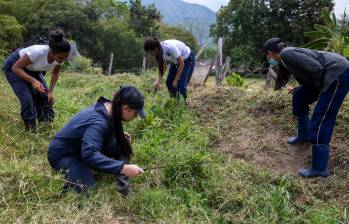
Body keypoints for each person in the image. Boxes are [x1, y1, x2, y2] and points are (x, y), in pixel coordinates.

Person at [263, 37, 349, 178]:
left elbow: (316, 69)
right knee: (299, 96)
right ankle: (304, 136)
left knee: (321, 117)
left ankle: (320, 169)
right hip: (328, 74)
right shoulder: (285, 60)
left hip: (337, 73)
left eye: (267, 55)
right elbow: (310, 75)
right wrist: (300, 89)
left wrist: (323, 92)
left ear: (270, 53)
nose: (268, 59)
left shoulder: (286, 53)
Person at [48, 86, 146, 194]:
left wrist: (117, 134)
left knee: (123, 144)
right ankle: (71, 176)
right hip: (64, 154)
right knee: (89, 190)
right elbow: (90, 155)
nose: (135, 117)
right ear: (126, 108)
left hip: (80, 147)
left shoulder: (110, 107)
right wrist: (123, 168)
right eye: (135, 113)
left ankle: (123, 186)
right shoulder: (98, 122)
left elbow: (102, 128)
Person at [2, 30, 71, 132]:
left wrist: (50, 92)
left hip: (33, 68)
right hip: (14, 66)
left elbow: (55, 74)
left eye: (65, 57)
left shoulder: (60, 58)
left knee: (45, 96)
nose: (62, 60)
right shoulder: (37, 52)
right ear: (53, 52)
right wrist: (33, 81)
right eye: (61, 57)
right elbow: (15, 68)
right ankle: (30, 129)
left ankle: (46, 126)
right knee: (27, 99)